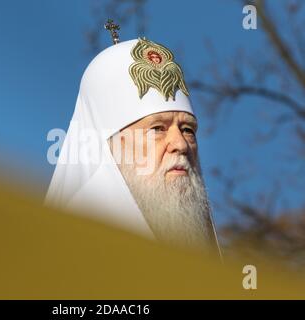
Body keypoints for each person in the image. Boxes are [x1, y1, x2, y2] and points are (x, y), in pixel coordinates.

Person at [46, 37, 220, 253]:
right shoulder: (72, 250)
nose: (181, 145)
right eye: (158, 129)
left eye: (187, 130)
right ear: (111, 149)